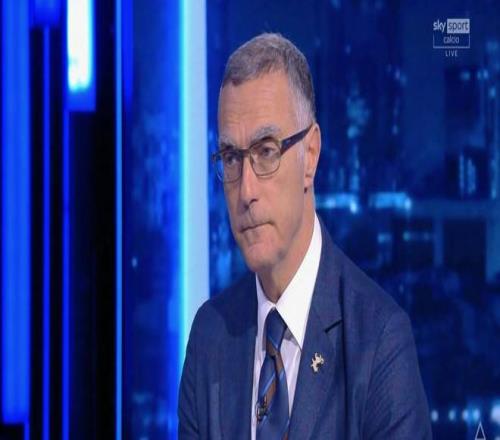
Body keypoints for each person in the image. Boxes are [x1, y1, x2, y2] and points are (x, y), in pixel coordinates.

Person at [178, 33, 431, 440]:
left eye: (265, 152)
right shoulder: (210, 336)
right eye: (231, 157)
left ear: (309, 155)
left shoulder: (379, 341)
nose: (245, 191)